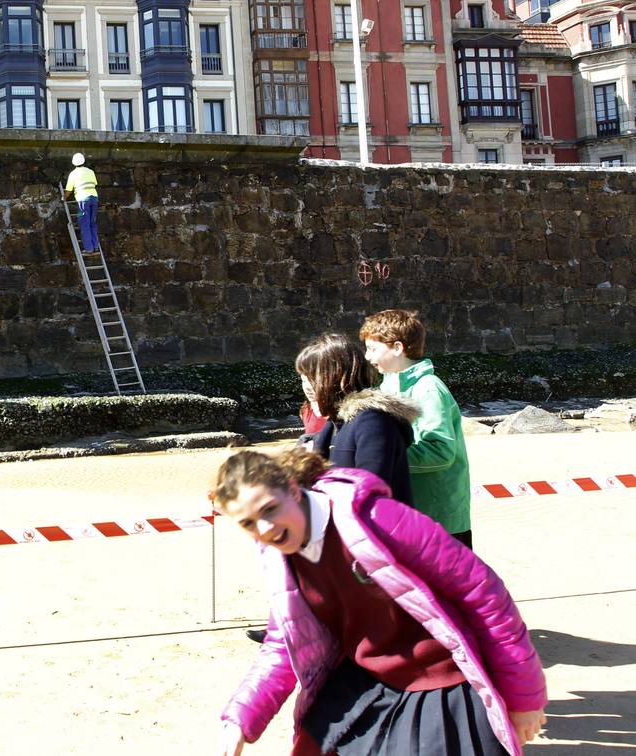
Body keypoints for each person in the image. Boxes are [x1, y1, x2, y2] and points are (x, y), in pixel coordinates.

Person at [213, 448, 547, 756]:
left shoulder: (377, 518)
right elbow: (282, 644)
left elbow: (483, 593)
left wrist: (524, 697)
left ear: (293, 489)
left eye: (269, 509)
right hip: (368, 681)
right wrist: (242, 718)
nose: (266, 528)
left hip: (443, 682)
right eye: (248, 523)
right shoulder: (279, 559)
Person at [360, 309, 474, 548]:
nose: (368, 357)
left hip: (440, 515)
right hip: (407, 510)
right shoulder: (387, 386)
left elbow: (440, 452)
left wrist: (385, 460)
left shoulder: (428, 389)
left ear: (397, 348)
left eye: (373, 349)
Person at [294, 332, 416, 508]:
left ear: (339, 378)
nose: (307, 388)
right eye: (303, 379)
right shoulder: (336, 423)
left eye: (313, 379)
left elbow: (369, 495)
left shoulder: (372, 421)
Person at [62, 152, 99, 254]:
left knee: (84, 223)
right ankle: (95, 246)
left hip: (83, 200)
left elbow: (68, 190)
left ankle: (88, 249)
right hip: (94, 199)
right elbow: (94, 184)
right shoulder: (91, 172)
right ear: (84, 161)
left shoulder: (73, 174)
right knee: (92, 223)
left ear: (74, 163)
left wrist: (63, 198)